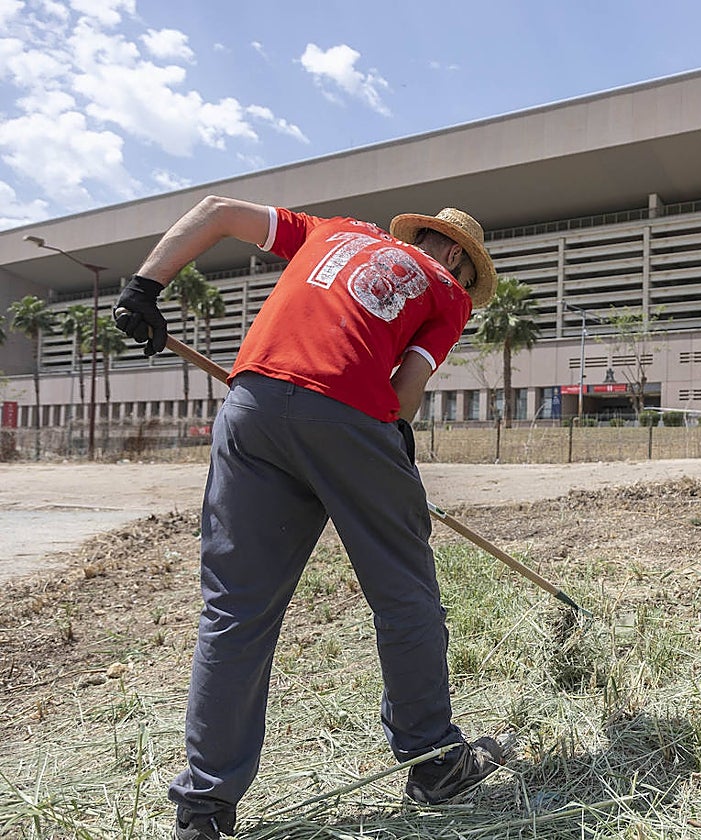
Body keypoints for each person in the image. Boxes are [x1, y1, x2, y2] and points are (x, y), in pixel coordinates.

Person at [113, 195, 508, 840]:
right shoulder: (446, 292)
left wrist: (143, 287)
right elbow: (403, 394)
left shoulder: (332, 232)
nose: (464, 284)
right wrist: (386, 450)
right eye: (468, 274)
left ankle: (204, 809)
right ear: (458, 257)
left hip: (253, 406)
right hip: (350, 415)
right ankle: (434, 761)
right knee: (404, 595)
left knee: (235, 610)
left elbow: (216, 211)